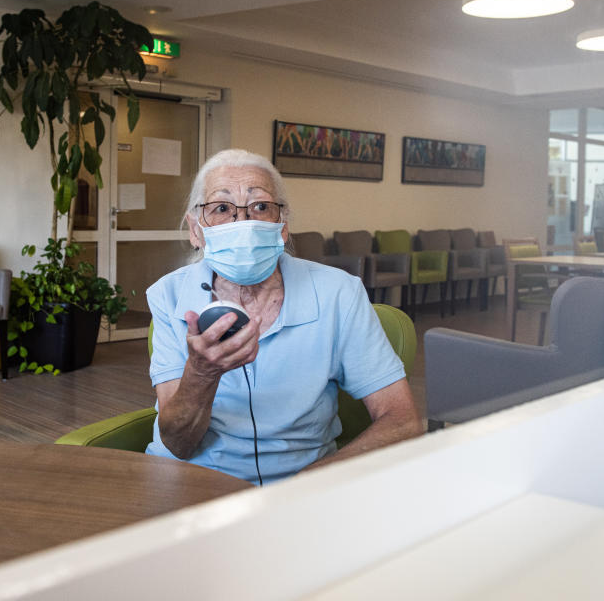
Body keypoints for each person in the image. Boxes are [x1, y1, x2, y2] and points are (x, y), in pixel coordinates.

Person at [145, 149, 421, 484]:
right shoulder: (169, 296)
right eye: (221, 208)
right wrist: (202, 375)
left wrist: (301, 488)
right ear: (196, 230)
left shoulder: (338, 292)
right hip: (193, 481)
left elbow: (402, 421)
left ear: (282, 226)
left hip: (303, 485)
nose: (243, 222)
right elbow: (178, 444)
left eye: (260, 206)